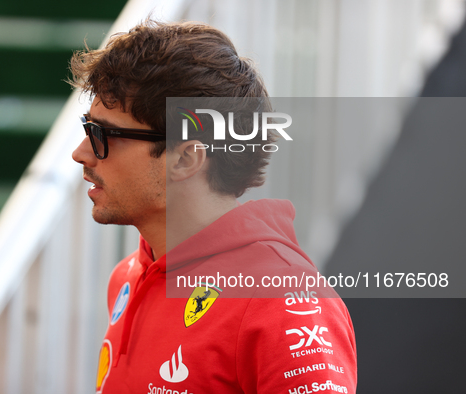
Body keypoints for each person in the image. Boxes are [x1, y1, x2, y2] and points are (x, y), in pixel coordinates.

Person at [70, 20, 357, 394]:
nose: (81, 154)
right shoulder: (128, 276)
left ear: (186, 158)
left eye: (103, 136)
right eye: (87, 129)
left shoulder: (282, 302)